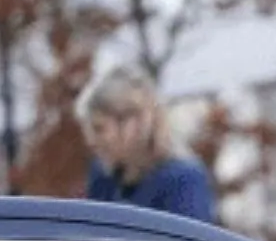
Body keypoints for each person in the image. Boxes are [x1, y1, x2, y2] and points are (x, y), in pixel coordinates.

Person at [77, 64, 216, 223]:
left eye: (99, 129)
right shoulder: (103, 179)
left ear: (131, 123)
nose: (91, 141)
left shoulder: (183, 181)